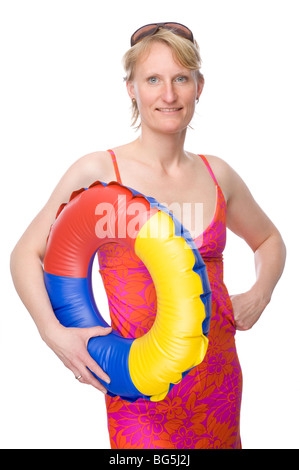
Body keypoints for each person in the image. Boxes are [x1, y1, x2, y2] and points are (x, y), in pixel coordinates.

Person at [10, 22, 286, 449]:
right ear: (131, 89)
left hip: (217, 382)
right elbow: (26, 253)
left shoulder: (219, 175)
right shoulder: (99, 172)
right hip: (140, 390)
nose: (169, 94)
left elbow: (270, 240)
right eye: (153, 79)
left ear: (199, 86)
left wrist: (260, 293)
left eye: (181, 79)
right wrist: (52, 333)